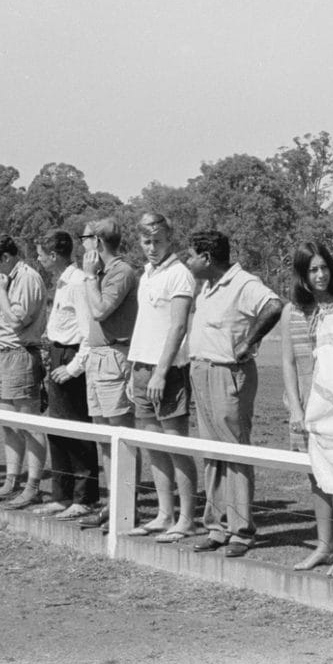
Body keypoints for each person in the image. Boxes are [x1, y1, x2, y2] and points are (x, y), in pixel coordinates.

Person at [185, 230, 284, 558]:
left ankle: (241, 530)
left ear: (207, 258)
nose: (189, 261)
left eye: (192, 255)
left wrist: (248, 342)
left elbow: (273, 306)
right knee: (212, 451)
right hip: (202, 370)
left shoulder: (243, 283)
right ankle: (216, 525)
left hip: (228, 374)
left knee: (234, 450)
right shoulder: (208, 286)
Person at [282, 240, 333, 575]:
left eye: (324, 267)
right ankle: (323, 546)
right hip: (305, 410)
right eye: (313, 269)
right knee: (315, 478)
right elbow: (287, 363)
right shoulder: (292, 312)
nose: (320, 275)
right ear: (302, 274)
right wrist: (296, 409)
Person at [125, 213, 198, 542]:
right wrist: (134, 369)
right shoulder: (147, 274)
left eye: (157, 241)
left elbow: (178, 327)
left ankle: (186, 519)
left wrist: (160, 371)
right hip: (141, 368)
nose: (151, 248)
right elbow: (146, 326)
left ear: (170, 239)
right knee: (154, 444)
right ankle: (164, 513)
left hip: (167, 372)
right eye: (146, 241)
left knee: (175, 445)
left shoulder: (180, 275)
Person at [75, 217, 141, 531]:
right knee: (104, 437)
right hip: (98, 357)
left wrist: (88, 278)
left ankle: (127, 507)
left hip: (116, 357)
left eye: (85, 238)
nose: (82, 244)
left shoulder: (121, 272)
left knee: (121, 435)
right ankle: (112, 505)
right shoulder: (100, 273)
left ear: (98, 242)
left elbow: (101, 311)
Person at [0, 232, 49, 509]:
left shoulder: (27, 278)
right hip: (5, 354)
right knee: (8, 423)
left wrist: (1, 293)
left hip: (21, 354)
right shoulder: (9, 279)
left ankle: (32, 486)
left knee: (29, 424)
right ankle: (11, 481)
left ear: (6, 258)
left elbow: (18, 320)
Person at [33, 229, 100, 520]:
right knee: (57, 429)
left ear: (53, 255)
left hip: (72, 358)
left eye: (40, 254)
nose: (37, 259)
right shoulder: (61, 283)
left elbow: (89, 333)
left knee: (77, 429)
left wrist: (74, 368)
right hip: (58, 354)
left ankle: (84, 498)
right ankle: (61, 495)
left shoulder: (78, 283)